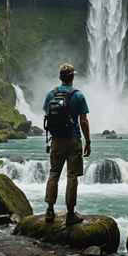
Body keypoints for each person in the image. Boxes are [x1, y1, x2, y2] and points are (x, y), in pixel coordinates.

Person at [43, 63, 91, 225]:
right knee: (72, 176)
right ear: (73, 77)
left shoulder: (51, 94)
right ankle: (70, 214)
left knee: (54, 174)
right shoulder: (78, 95)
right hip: (73, 139)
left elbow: (47, 115)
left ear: (60, 78)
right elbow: (83, 121)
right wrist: (88, 141)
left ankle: (50, 210)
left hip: (56, 140)